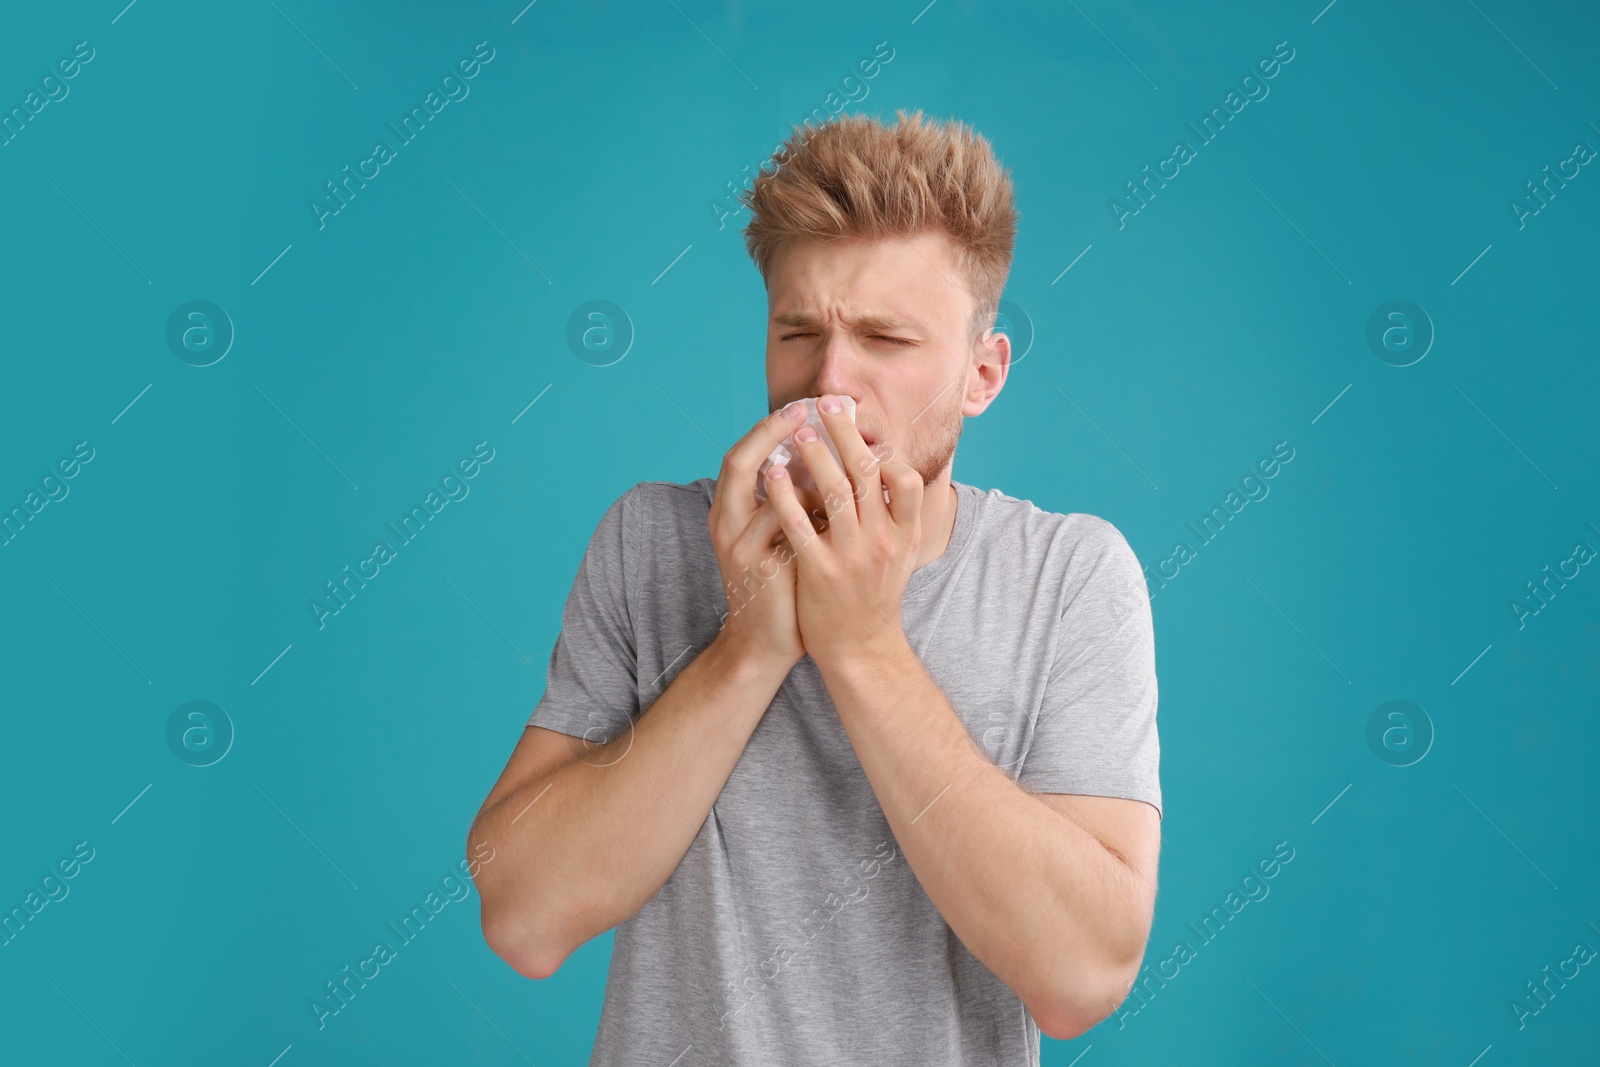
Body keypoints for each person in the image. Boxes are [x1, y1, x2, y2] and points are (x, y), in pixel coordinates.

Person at [468, 108, 1162, 1066]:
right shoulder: (649, 540)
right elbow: (523, 915)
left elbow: (1083, 975)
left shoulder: (1071, 578)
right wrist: (750, 645)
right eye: (799, 333)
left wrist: (864, 644)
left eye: (886, 338)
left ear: (981, 373)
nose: (828, 383)